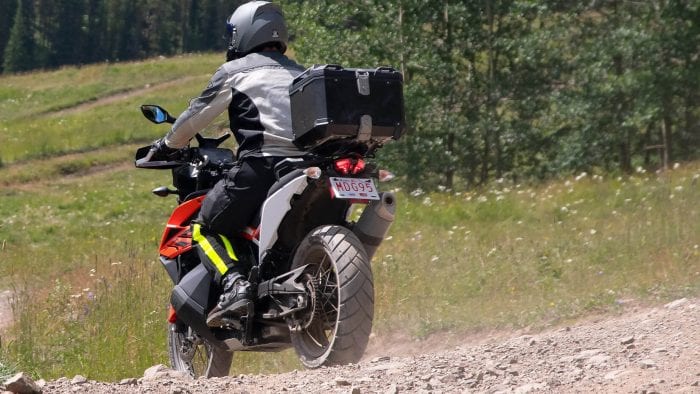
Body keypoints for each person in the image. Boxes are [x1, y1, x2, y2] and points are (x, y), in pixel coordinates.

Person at [150, 1, 306, 327]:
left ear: (243, 34)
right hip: (308, 168)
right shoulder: (301, 72)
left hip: (264, 166)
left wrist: (166, 145)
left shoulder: (236, 72)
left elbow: (195, 116)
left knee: (206, 225)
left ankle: (235, 283)